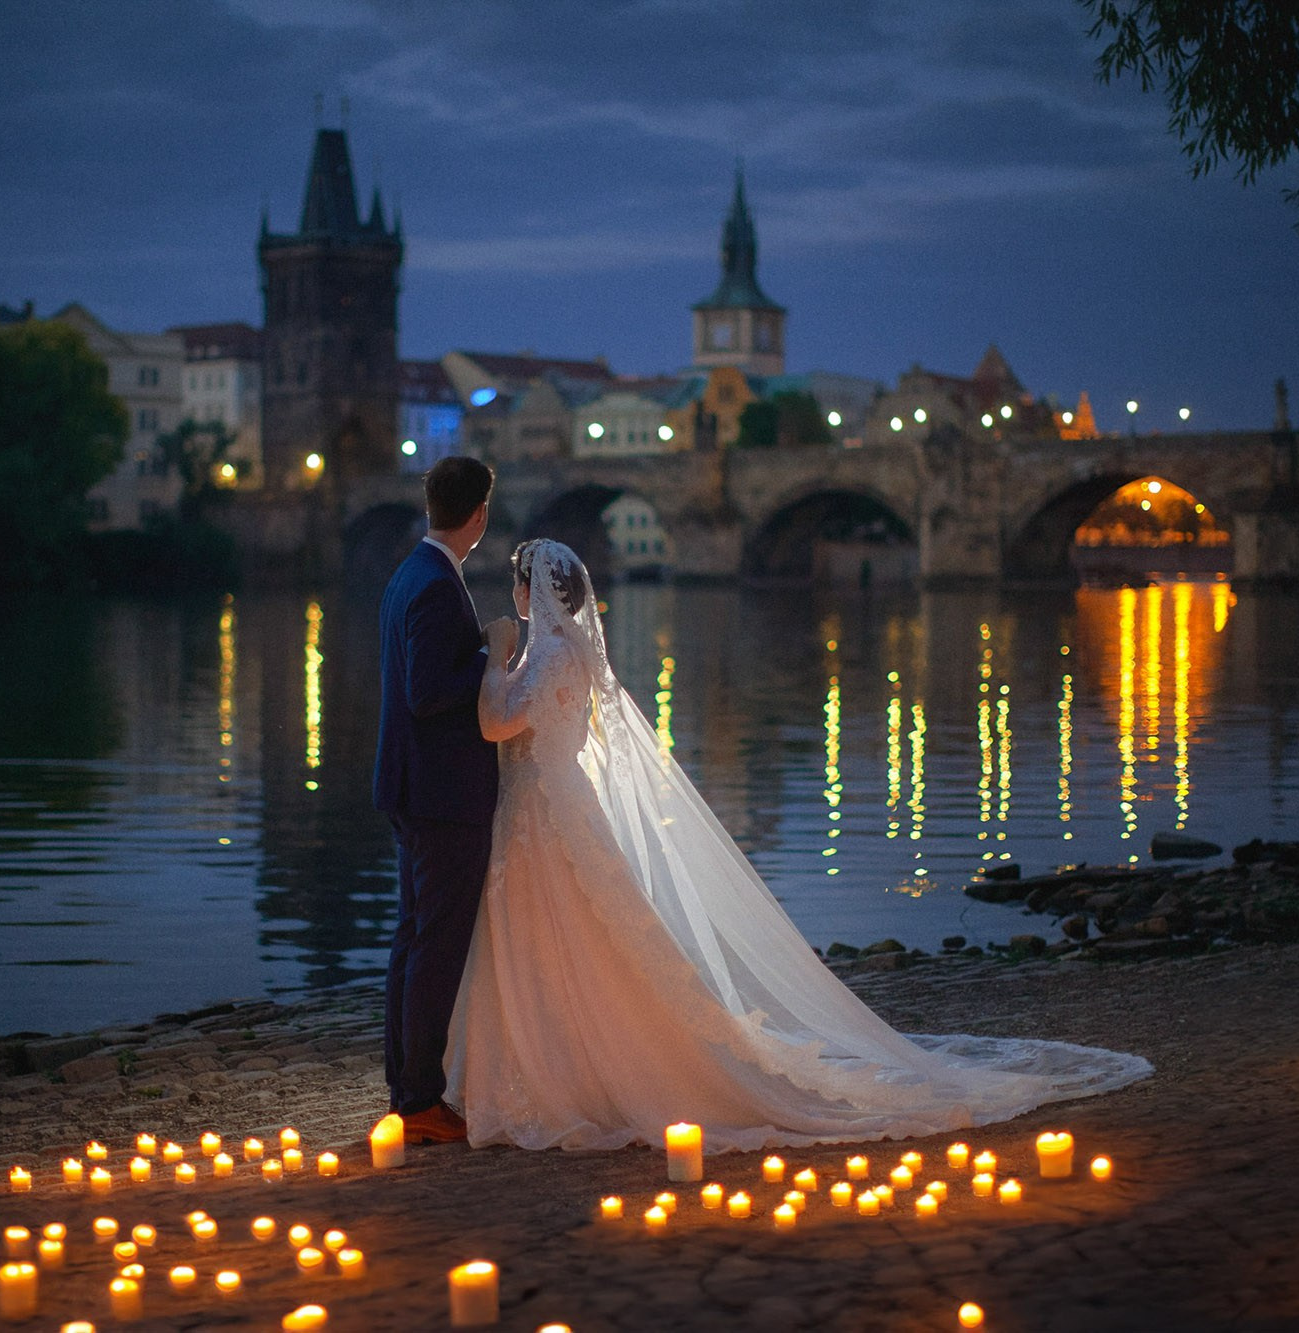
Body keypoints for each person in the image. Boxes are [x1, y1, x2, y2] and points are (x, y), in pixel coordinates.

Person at [445, 538, 1151, 1151]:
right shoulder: (571, 653)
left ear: (534, 590)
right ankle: (561, 1059)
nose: (514, 594)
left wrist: (494, 658)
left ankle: (564, 1070)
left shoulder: (541, 656)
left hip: (544, 812)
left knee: (559, 933)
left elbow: (499, 724)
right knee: (579, 934)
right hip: (555, 808)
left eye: (519, 583)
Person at [373, 456, 516, 1145]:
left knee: (413, 937)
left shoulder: (410, 573)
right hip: (441, 793)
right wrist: (491, 657)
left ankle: (406, 1084)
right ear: (479, 515)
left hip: (412, 785)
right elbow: (429, 692)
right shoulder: (434, 585)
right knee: (434, 944)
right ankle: (420, 1097)